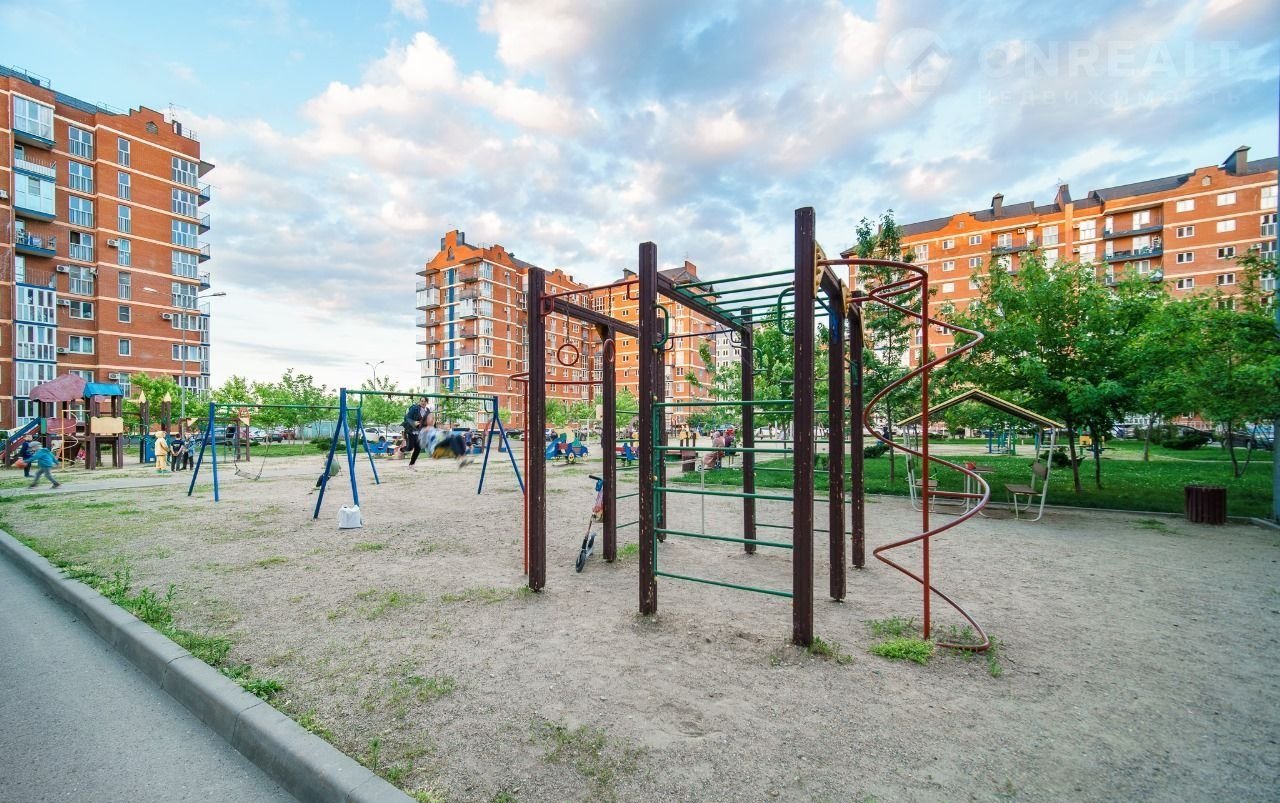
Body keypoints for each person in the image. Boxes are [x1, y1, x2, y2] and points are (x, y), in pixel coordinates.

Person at [402, 396, 430, 470]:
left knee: (418, 448)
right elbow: (407, 418)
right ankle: (402, 449)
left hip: (419, 432)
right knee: (410, 448)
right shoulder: (414, 408)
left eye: (425, 401)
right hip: (411, 430)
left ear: (427, 402)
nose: (423, 403)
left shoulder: (427, 410)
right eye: (422, 401)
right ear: (419, 402)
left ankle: (411, 464)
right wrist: (413, 422)